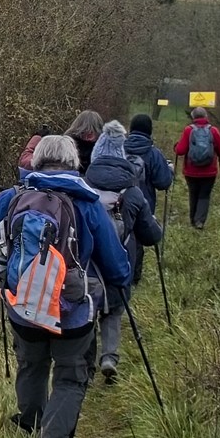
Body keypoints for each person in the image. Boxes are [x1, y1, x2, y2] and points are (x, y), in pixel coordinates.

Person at [0, 133, 133, 438]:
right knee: (72, 374)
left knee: (31, 364)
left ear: (36, 161)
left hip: (23, 306)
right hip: (71, 311)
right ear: (74, 164)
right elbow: (117, 268)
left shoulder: (16, 195)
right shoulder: (87, 203)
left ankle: (29, 423)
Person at [80, 120, 163, 382]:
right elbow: (151, 235)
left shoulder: (82, 187)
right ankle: (110, 357)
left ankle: (87, 365)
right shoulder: (133, 192)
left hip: (87, 265)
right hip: (121, 262)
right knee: (113, 311)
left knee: (88, 310)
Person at [176, 106, 220, 228]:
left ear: (193, 117)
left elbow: (180, 150)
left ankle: (193, 220)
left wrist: (175, 147)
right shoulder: (213, 131)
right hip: (209, 171)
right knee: (204, 195)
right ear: (206, 117)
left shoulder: (188, 130)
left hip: (191, 171)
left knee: (193, 194)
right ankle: (200, 221)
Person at [124, 112, 177, 203]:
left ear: (131, 129)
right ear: (149, 130)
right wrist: (170, 170)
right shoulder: (154, 154)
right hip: (144, 206)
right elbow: (163, 182)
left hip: (121, 204)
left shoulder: (119, 149)